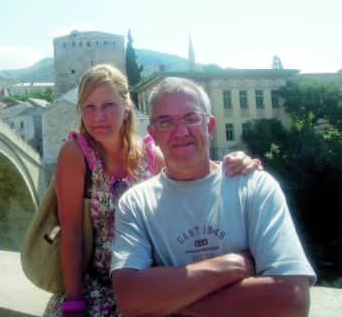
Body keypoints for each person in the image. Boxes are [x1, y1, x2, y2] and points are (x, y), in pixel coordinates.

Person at [44, 65, 260, 317]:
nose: (98, 116)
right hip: (98, 285)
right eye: (89, 107)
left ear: (126, 106)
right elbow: (71, 232)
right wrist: (73, 302)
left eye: (108, 105)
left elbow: (196, 175)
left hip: (150, 281)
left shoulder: (151, 156)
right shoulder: (75, 154)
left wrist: (239, 163)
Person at [111, 77, 316, 317]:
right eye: (165, 122)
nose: (180, 132)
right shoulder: (136, 204)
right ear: (153, 133)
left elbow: (292, 300)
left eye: (191, 118)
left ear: (209, 125)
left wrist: (163, 298)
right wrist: (232, 266)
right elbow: (129, 298)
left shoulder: (255, 186)